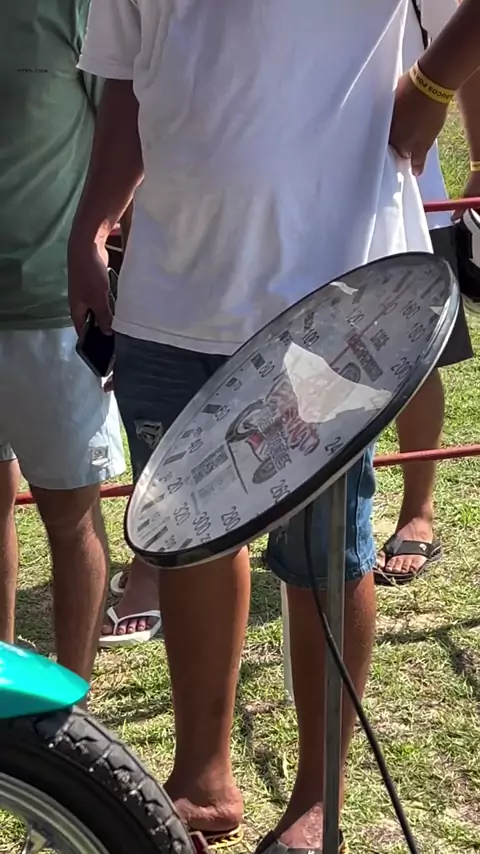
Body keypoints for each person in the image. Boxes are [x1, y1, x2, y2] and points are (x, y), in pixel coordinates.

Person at [69, 0, 480, 849]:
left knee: (325, 551)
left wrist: (435, 88)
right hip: (167, 293)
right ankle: (203, 778)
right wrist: (93, 222)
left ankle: (317, 798)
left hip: (335, 294)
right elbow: (128, 87)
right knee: (185, 536)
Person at [0, 0, 125, 682]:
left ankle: (70, 714)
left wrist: (104, 246)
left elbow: (127, 132)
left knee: (69, 517)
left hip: (53, 310)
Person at [375, 0, 480, 585]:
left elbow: (465, 41)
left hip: (405, 187)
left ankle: (418, 509)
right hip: (277, 199)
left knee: (415, 361)